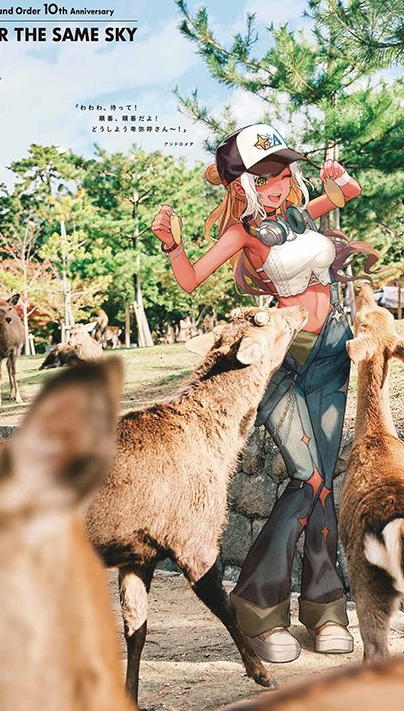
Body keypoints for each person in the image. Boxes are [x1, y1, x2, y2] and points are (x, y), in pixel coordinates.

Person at [151, 123, 364, 663]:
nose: (277, 184)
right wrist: (173, 245)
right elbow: (191, 280)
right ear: (241, 185)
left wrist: (338, 176)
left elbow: (348, 192)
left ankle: (325, 607)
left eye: (282, 173)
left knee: (324, 483)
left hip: (332, 349)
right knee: (306, 477)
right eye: (263, 178)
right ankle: (258, 605)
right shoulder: (242, 233)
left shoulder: (300, 215)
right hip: (280, 358)